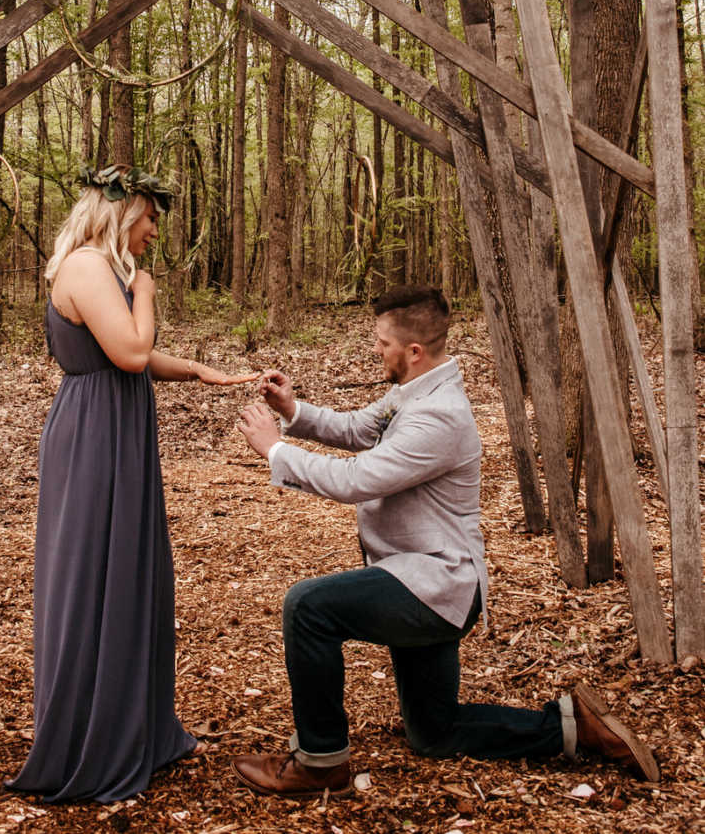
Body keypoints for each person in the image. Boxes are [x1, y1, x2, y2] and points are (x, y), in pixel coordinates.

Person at [233, 285, 659, 797]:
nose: (376, 349)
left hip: (434, 586)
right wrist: (294, 410)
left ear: (413, 351)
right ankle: (572, 726)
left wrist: (275, 450)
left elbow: (354, 481)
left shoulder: (439, 417)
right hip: (417, 577)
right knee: (434, 732)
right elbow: (355, 429)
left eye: (382, 341)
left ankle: (320, 761)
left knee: (308, 608)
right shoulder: (415, 391)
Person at [6, 163, 257, 804]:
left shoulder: (102, 270)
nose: (153, 231)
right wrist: (144, 292)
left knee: (132, 572)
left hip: (117, 430)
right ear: (122, 214)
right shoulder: (90, 267)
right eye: (148, 218)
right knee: (95, 574)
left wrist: (203, 372)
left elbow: (137, 359)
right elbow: (129, 354)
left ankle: (135, 726)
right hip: (93, 439)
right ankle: (91, 742)